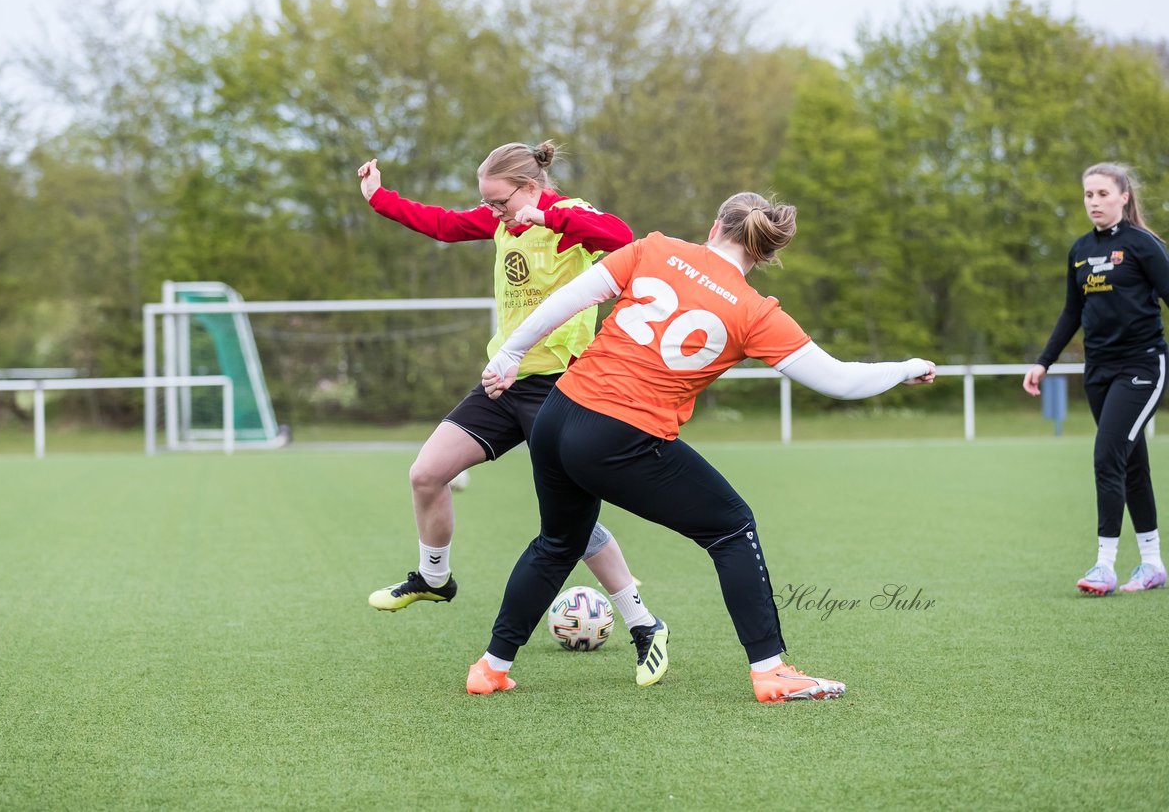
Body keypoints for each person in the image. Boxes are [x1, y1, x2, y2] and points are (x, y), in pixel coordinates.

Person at [464, 191, 936, 702]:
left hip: (558, 414)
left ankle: (490, 668)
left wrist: (510, 352)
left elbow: (567, 299)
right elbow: (840, 381)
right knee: (733, 528)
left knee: (557, 542)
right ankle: (771, 670)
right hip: (616, 435)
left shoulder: (655, 248)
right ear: (763, 253)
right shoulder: (756, 312)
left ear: (715, 227)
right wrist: (906, 368)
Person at [357, 141, 669, 686]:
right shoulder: (501, 222)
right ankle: (435, 578)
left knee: (570, 523)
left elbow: (623, 240)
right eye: (489, 203)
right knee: (427, 474)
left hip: (566, 388)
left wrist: (547, 213)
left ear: (530, 187)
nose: (493, 212)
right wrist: (379, 197)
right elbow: (443, 225)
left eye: (500, 201)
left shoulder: (570, 219)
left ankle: (644, 623)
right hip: (505, 383)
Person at [1023, 162, 1169, 596]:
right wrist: (1044, 361)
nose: (1094, 202)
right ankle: (1152, 563)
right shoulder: (1080, 250)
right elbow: (1072, 311)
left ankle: (1104, 565)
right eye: (1089, 195)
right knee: (1132, 465)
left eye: (1103, 194)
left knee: (1108, 455)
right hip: (1099, 372)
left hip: (1142, 367)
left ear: (1124, 196)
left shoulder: (1145, 246)